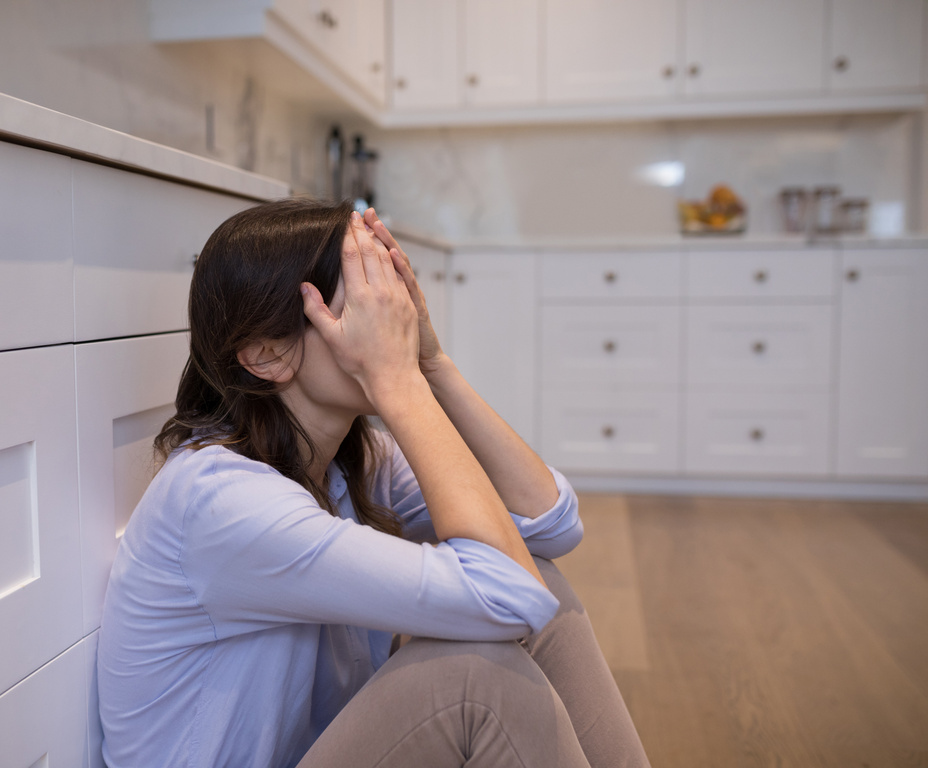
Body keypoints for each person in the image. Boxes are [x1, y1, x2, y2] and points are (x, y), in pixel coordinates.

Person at [97, 198, 650, 768]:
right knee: (471, 679)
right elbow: (507, 597)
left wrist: (432, 365)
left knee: (546, 589)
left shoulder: (349, 460)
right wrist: (398, 381)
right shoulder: (222, 500)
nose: (392, 323)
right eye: (362, 305)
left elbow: (551, 523)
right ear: (266, 354)